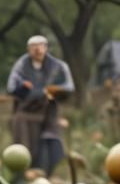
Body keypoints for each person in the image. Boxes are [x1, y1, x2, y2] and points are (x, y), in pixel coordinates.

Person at [6, 35, 75, 174]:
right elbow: (11, 87)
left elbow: (68, 87)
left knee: (50, 144)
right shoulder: (21, 66)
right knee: (24, 150)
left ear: (46, 47)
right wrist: (23, 86)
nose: (37, 49)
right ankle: (24, 176)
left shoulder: (58, 66)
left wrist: (55, 90)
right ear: (28, 49)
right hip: (26, 114)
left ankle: (51, 175)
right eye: (33, 46)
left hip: (48, 113)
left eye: (40, 45)